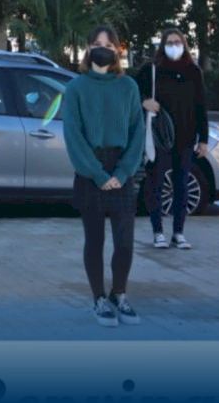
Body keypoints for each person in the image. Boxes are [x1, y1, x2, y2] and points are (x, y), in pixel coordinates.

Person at [62, 26, 146, 327]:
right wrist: (97, 174)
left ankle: (118, 293)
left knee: (125, 242)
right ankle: (98, 298)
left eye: (109, 45)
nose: (103, 49)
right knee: (94, 240)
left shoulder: (128, 87)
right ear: (88, 48)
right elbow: (73, 135)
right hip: (90, 170)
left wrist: (123, 172)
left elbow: (137, 132)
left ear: (118, 50)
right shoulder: (76, 88)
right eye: (97, 44)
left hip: (121, 168)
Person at [134, 28, 208, 250]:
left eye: (178, 42)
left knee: (181, 185)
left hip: (186, 137)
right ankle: (158, 232)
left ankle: (178, 232)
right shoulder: (151, 70)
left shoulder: (193, 71)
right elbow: (132, 92)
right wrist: (144, 102)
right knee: (155, 183)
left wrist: (203, 139)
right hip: (159, 137)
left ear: (184, 45)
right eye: (170, 42)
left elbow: (201, 106)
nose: (174, 46)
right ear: (162, 45)